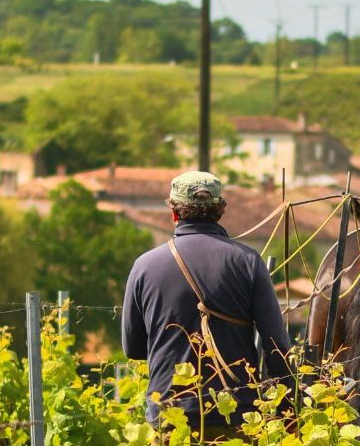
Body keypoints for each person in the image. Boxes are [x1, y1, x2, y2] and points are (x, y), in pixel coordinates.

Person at [121, 170, 293, 432]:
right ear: (221, 209)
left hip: (169, 413)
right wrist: (287, 407)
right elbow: (275, 344)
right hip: (235, 412)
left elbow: (133, 349)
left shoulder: (144, 266)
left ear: (174, 213)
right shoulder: (247, 261)